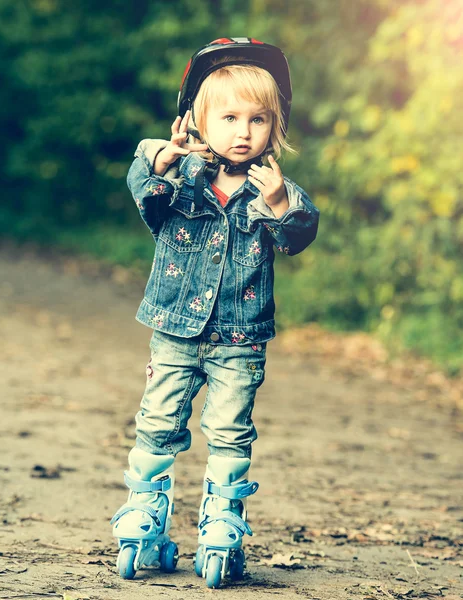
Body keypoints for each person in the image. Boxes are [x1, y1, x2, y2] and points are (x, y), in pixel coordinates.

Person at [110, 37, 319, 588]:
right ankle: (144, 516)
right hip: (175, 331)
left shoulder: (272, 189)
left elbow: (300, 233)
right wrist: (161, 155)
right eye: (229, 117)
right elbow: (142, 186)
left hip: (239, 342)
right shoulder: (179, 181)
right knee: (158, 422)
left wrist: (279, 204)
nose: (243, 132)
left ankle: (223, 521)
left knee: (230, 431)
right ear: (199, 121)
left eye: (258, 119)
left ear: (276, 127)